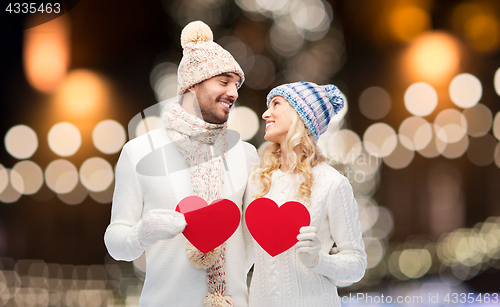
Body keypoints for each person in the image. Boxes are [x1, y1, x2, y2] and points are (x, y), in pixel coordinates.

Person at [104, 21, 258, 307]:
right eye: (223, 82)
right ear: (192, 84)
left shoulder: (245, 155)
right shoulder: (139, 152)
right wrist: (142, 233)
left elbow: (255, 243)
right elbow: (115, 243)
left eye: (236, 85)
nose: (234, 93)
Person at [244, 82, 367, 307]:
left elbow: (357, 266)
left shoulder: (332, 183)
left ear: (299, 114)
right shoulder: (256, 182)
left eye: (276, 104)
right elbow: (243, 255)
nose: (265, 113)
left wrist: (318, 260)